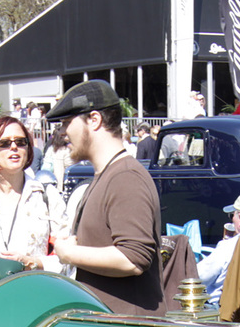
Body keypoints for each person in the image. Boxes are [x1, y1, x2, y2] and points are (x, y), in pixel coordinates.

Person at [49, 80, 162, 314]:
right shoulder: (109, 174)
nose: (63, 132)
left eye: (68, 122)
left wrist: (71, 254)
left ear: (94, 120)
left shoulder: (126, 177)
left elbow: (133, 258)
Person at [0, 116, 64, 272]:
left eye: (21, 142)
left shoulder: (47, 196)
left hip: (35, 288)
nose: (14, 147)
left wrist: (32, 263)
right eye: (4, 143)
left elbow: (66, 258)